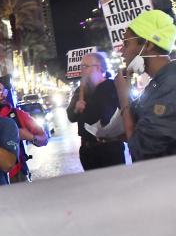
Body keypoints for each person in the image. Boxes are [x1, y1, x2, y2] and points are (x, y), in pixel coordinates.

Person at [114, 10, 176, 161]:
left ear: (148, 44)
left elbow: (141, 150)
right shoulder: (156, 84)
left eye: (126, 43)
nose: (121, 51)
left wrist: (123, 99)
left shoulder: (170, 85)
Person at [67, 52, 125, 170]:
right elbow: (71, 116)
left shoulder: (112, 86)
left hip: (110, 149)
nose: (82, 70)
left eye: (85, 66)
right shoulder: (80, 91)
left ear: (98, 67)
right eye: (81, 66)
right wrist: (77, 109)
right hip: (88, 151)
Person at [0, 78, 48, 182]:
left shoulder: (17, 115)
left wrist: (30, 137)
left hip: (16, 177)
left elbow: (44, 139)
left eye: (4, 91)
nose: (3, 95)